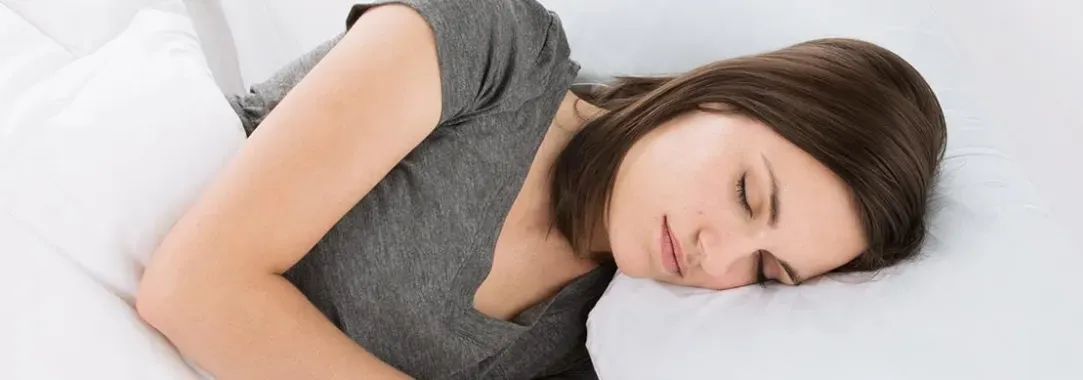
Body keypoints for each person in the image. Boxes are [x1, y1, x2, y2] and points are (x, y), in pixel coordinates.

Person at [136, 0, 948, 378]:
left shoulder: (588, 338)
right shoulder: (494, 48)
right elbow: (193, 285)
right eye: (745, 192)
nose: (718, 256)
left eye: (768, 270)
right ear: (719, 97)